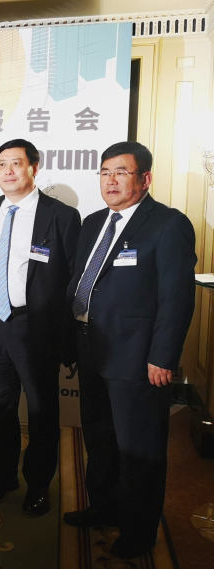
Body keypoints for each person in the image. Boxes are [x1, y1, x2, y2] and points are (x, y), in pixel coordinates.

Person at [63, 142, 195, 559]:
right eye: (105, 172)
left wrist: (163, 357)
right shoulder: (92, 222)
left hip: (138, 360)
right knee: (99, 438)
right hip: (92, 349)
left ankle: (139, 532)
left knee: (139, 450)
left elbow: (177, 298)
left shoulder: (168, 224)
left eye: (121, 172)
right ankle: (104, 507)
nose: (111, 180)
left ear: (145, 178)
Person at [0, 138, 81, 515]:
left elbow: (72, 280)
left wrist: (66, 336)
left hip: (36, 326)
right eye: (1, 164)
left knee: (41, 411)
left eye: (16, 163)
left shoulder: (61, 216)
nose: (8, 171)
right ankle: (4, 476)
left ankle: (38, 485)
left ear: (34, 167)